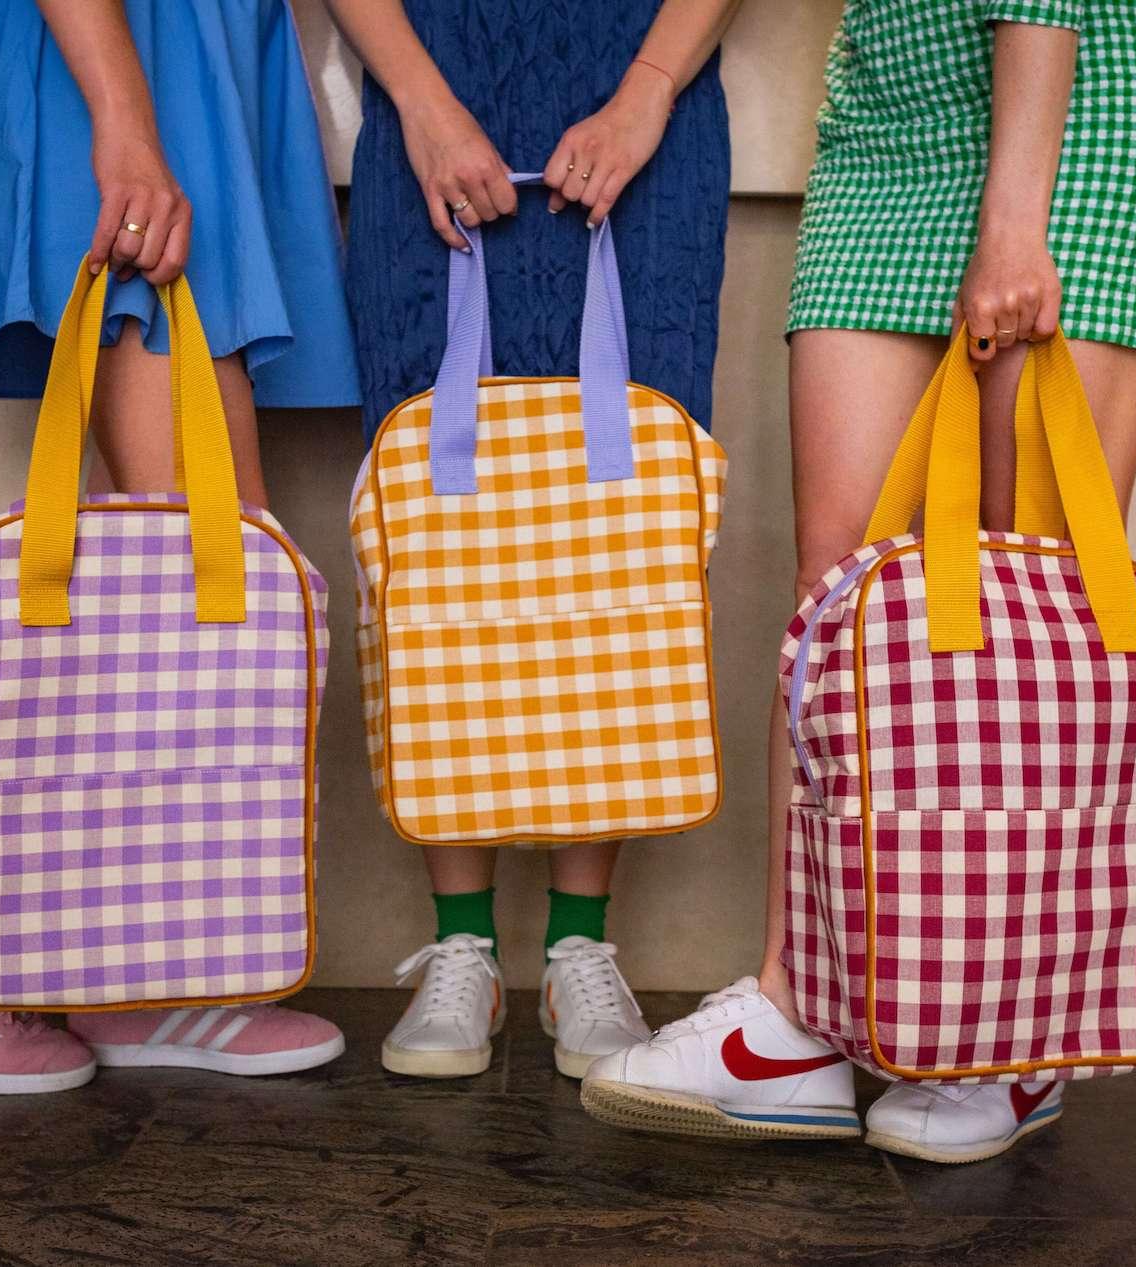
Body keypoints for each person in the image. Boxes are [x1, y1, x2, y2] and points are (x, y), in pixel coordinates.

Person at [582, 0, 1136, 1158]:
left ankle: (1013, 1038)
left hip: (1074, 108)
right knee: (836, 599)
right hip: (887, 118)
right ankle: (802, 1015)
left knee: (1026, 588)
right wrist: (648, 83)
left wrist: (1014, 218)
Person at [0, 0, 359, 1094]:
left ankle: (132, 977)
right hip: (124, 52)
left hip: (201, 59)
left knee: (152, 595)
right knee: (202, 564)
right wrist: (122, 117)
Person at [327, 0, 741, 1079]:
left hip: (647, 98)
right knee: (438, 535)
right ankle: (462, 943)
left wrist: (648, 91)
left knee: (621, 533)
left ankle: (576, 949)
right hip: (430, 81)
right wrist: (420, 102)